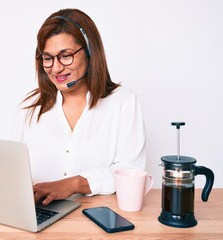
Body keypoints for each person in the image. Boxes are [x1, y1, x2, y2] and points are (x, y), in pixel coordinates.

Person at [12, 8, 146, 206]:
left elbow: (131, 172)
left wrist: (75, 183)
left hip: (97, 223)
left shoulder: (123, 102)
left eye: (65, 56)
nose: (56, 68)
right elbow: (13, 172)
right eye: (48, 58)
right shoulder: (29, 108)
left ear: (90, 53)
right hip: (40, 218)